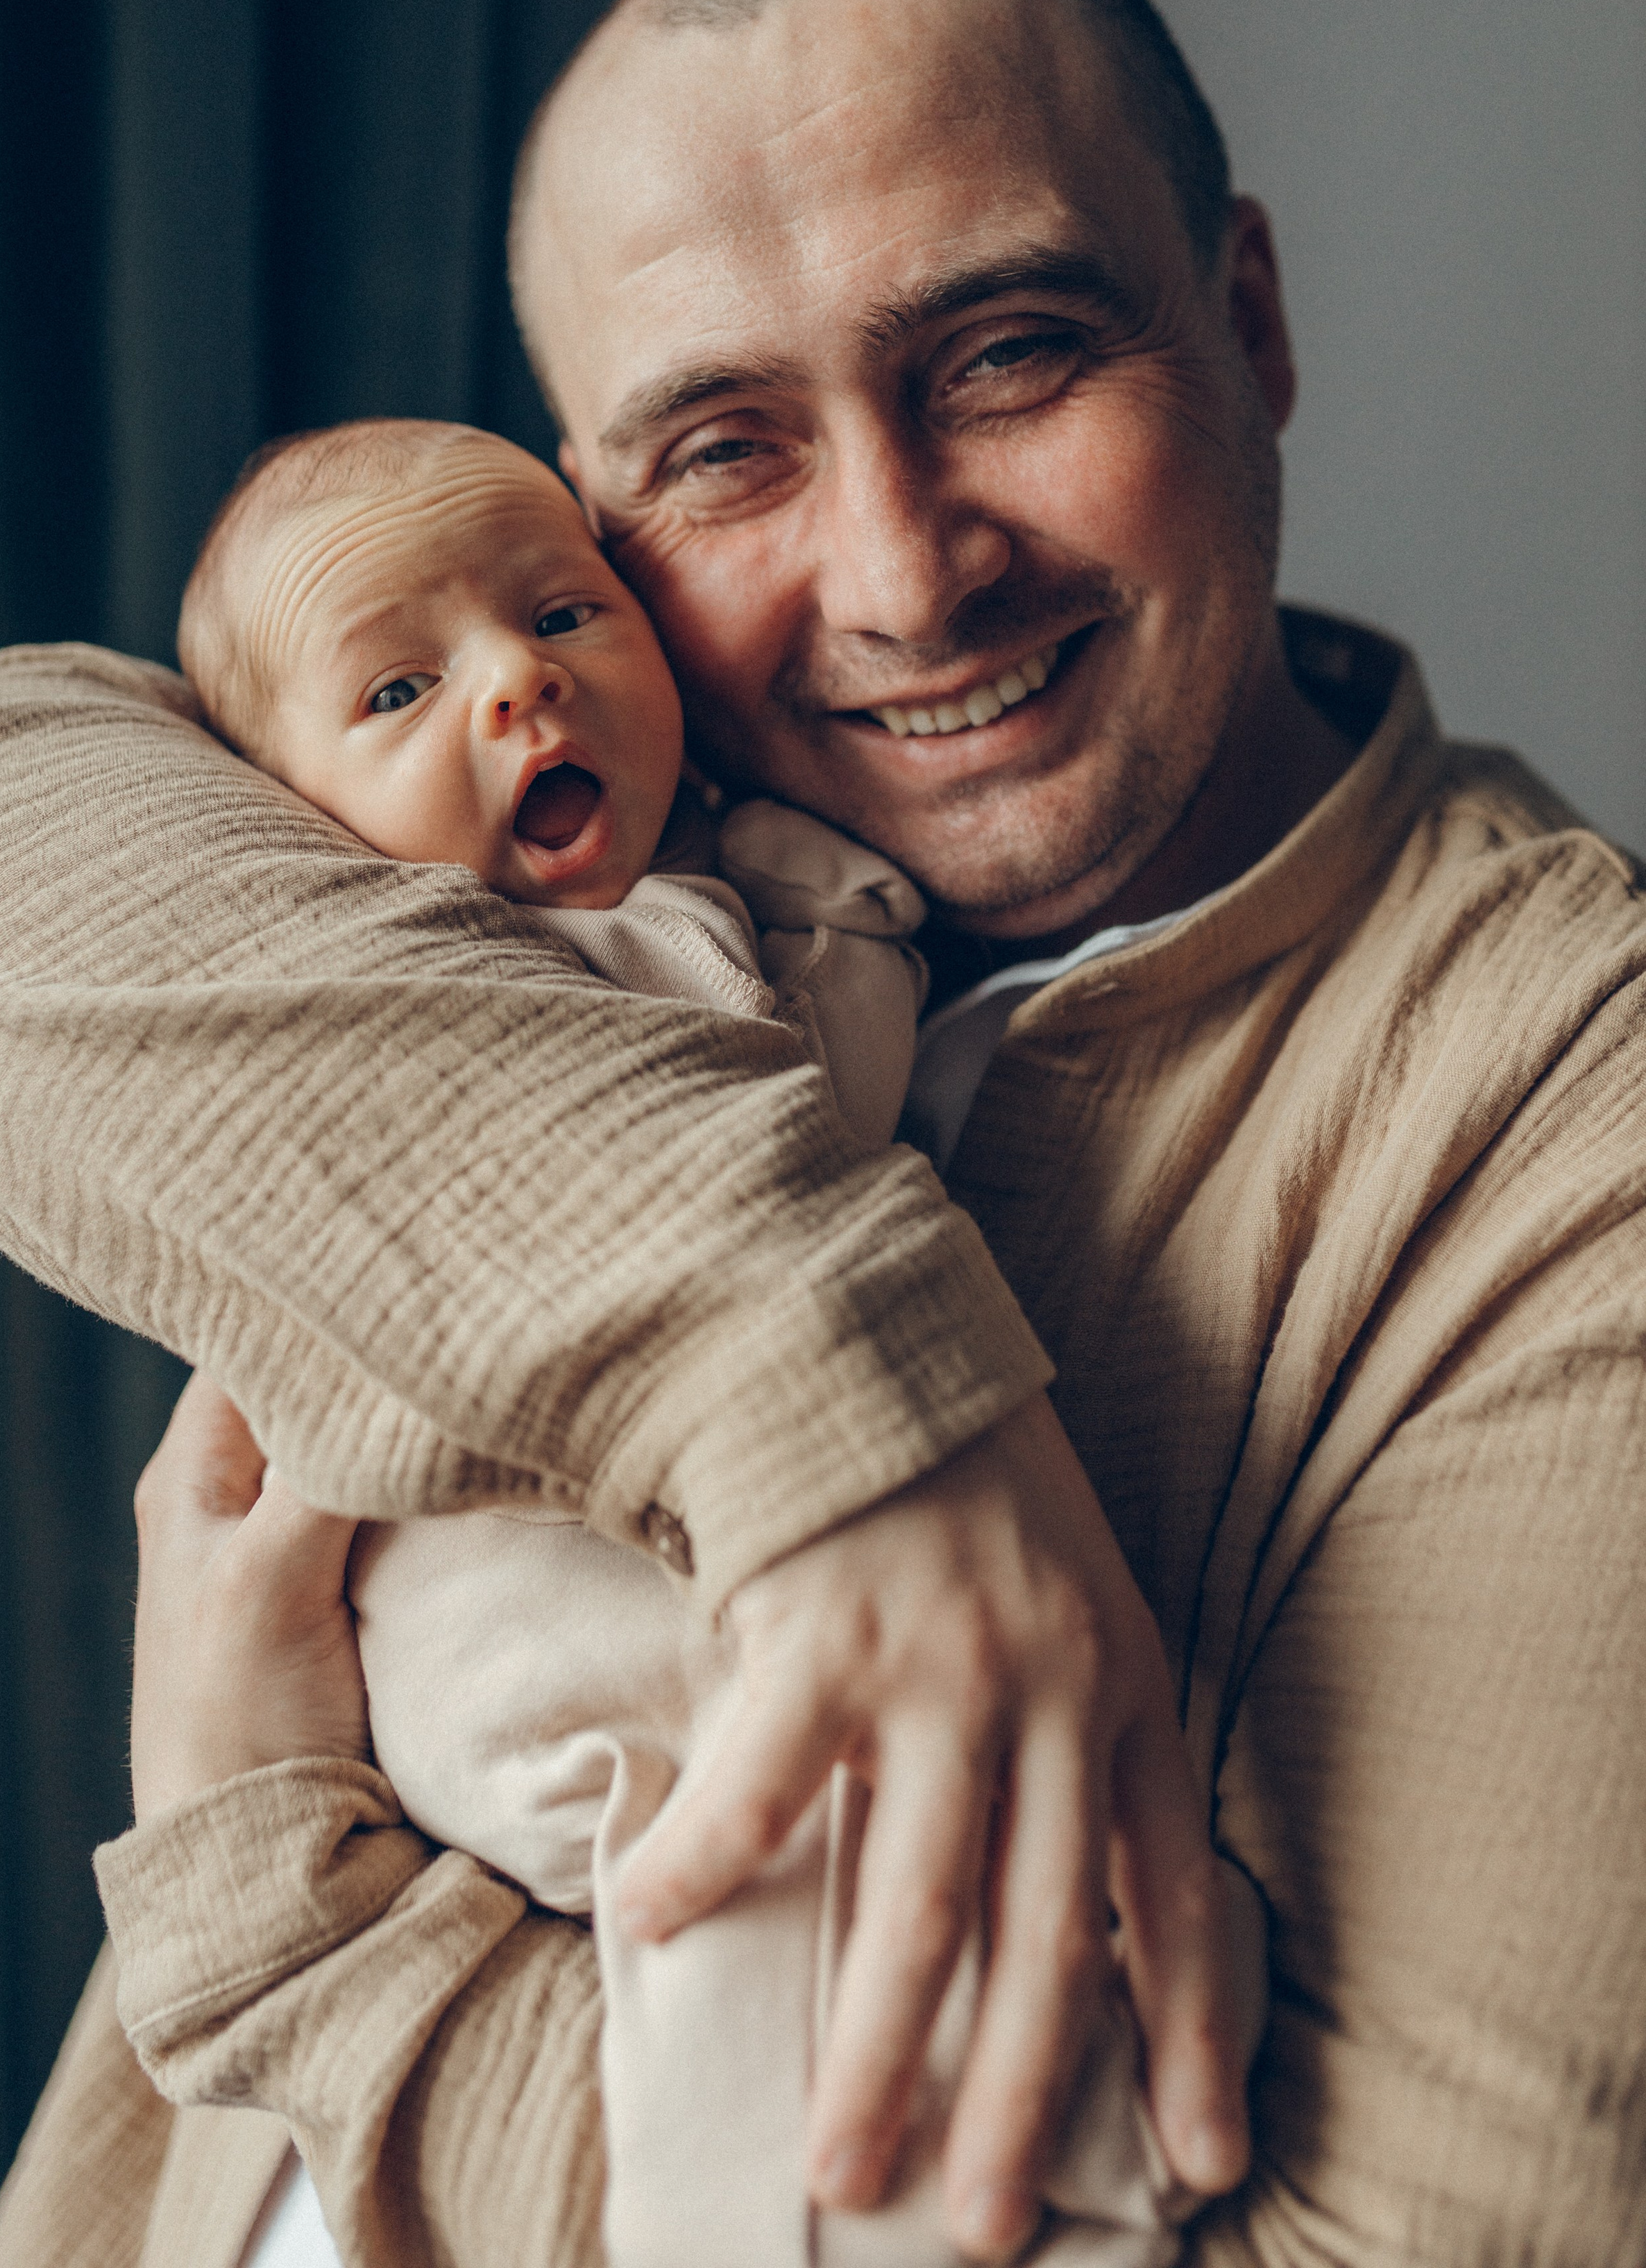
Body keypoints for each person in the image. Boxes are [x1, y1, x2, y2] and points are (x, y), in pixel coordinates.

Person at [0, 0, 1633, 2268]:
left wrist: (288, 1917)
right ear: (584, 518)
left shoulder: (1570, 1108)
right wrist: (837, 1394)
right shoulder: (581, 837)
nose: (903, 574)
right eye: (722, 452)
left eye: (1008, 355)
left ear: (1247, 323)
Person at [139, 405, 1262, 2268]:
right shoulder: (384, 983)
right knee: (748, 1853)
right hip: (487, 1604)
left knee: (883, 1822)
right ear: (286, 820)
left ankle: (1005, 2103)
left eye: (566, 614)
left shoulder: (751, 882)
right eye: (397, 687)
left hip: (703, 1570)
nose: (514, 686)